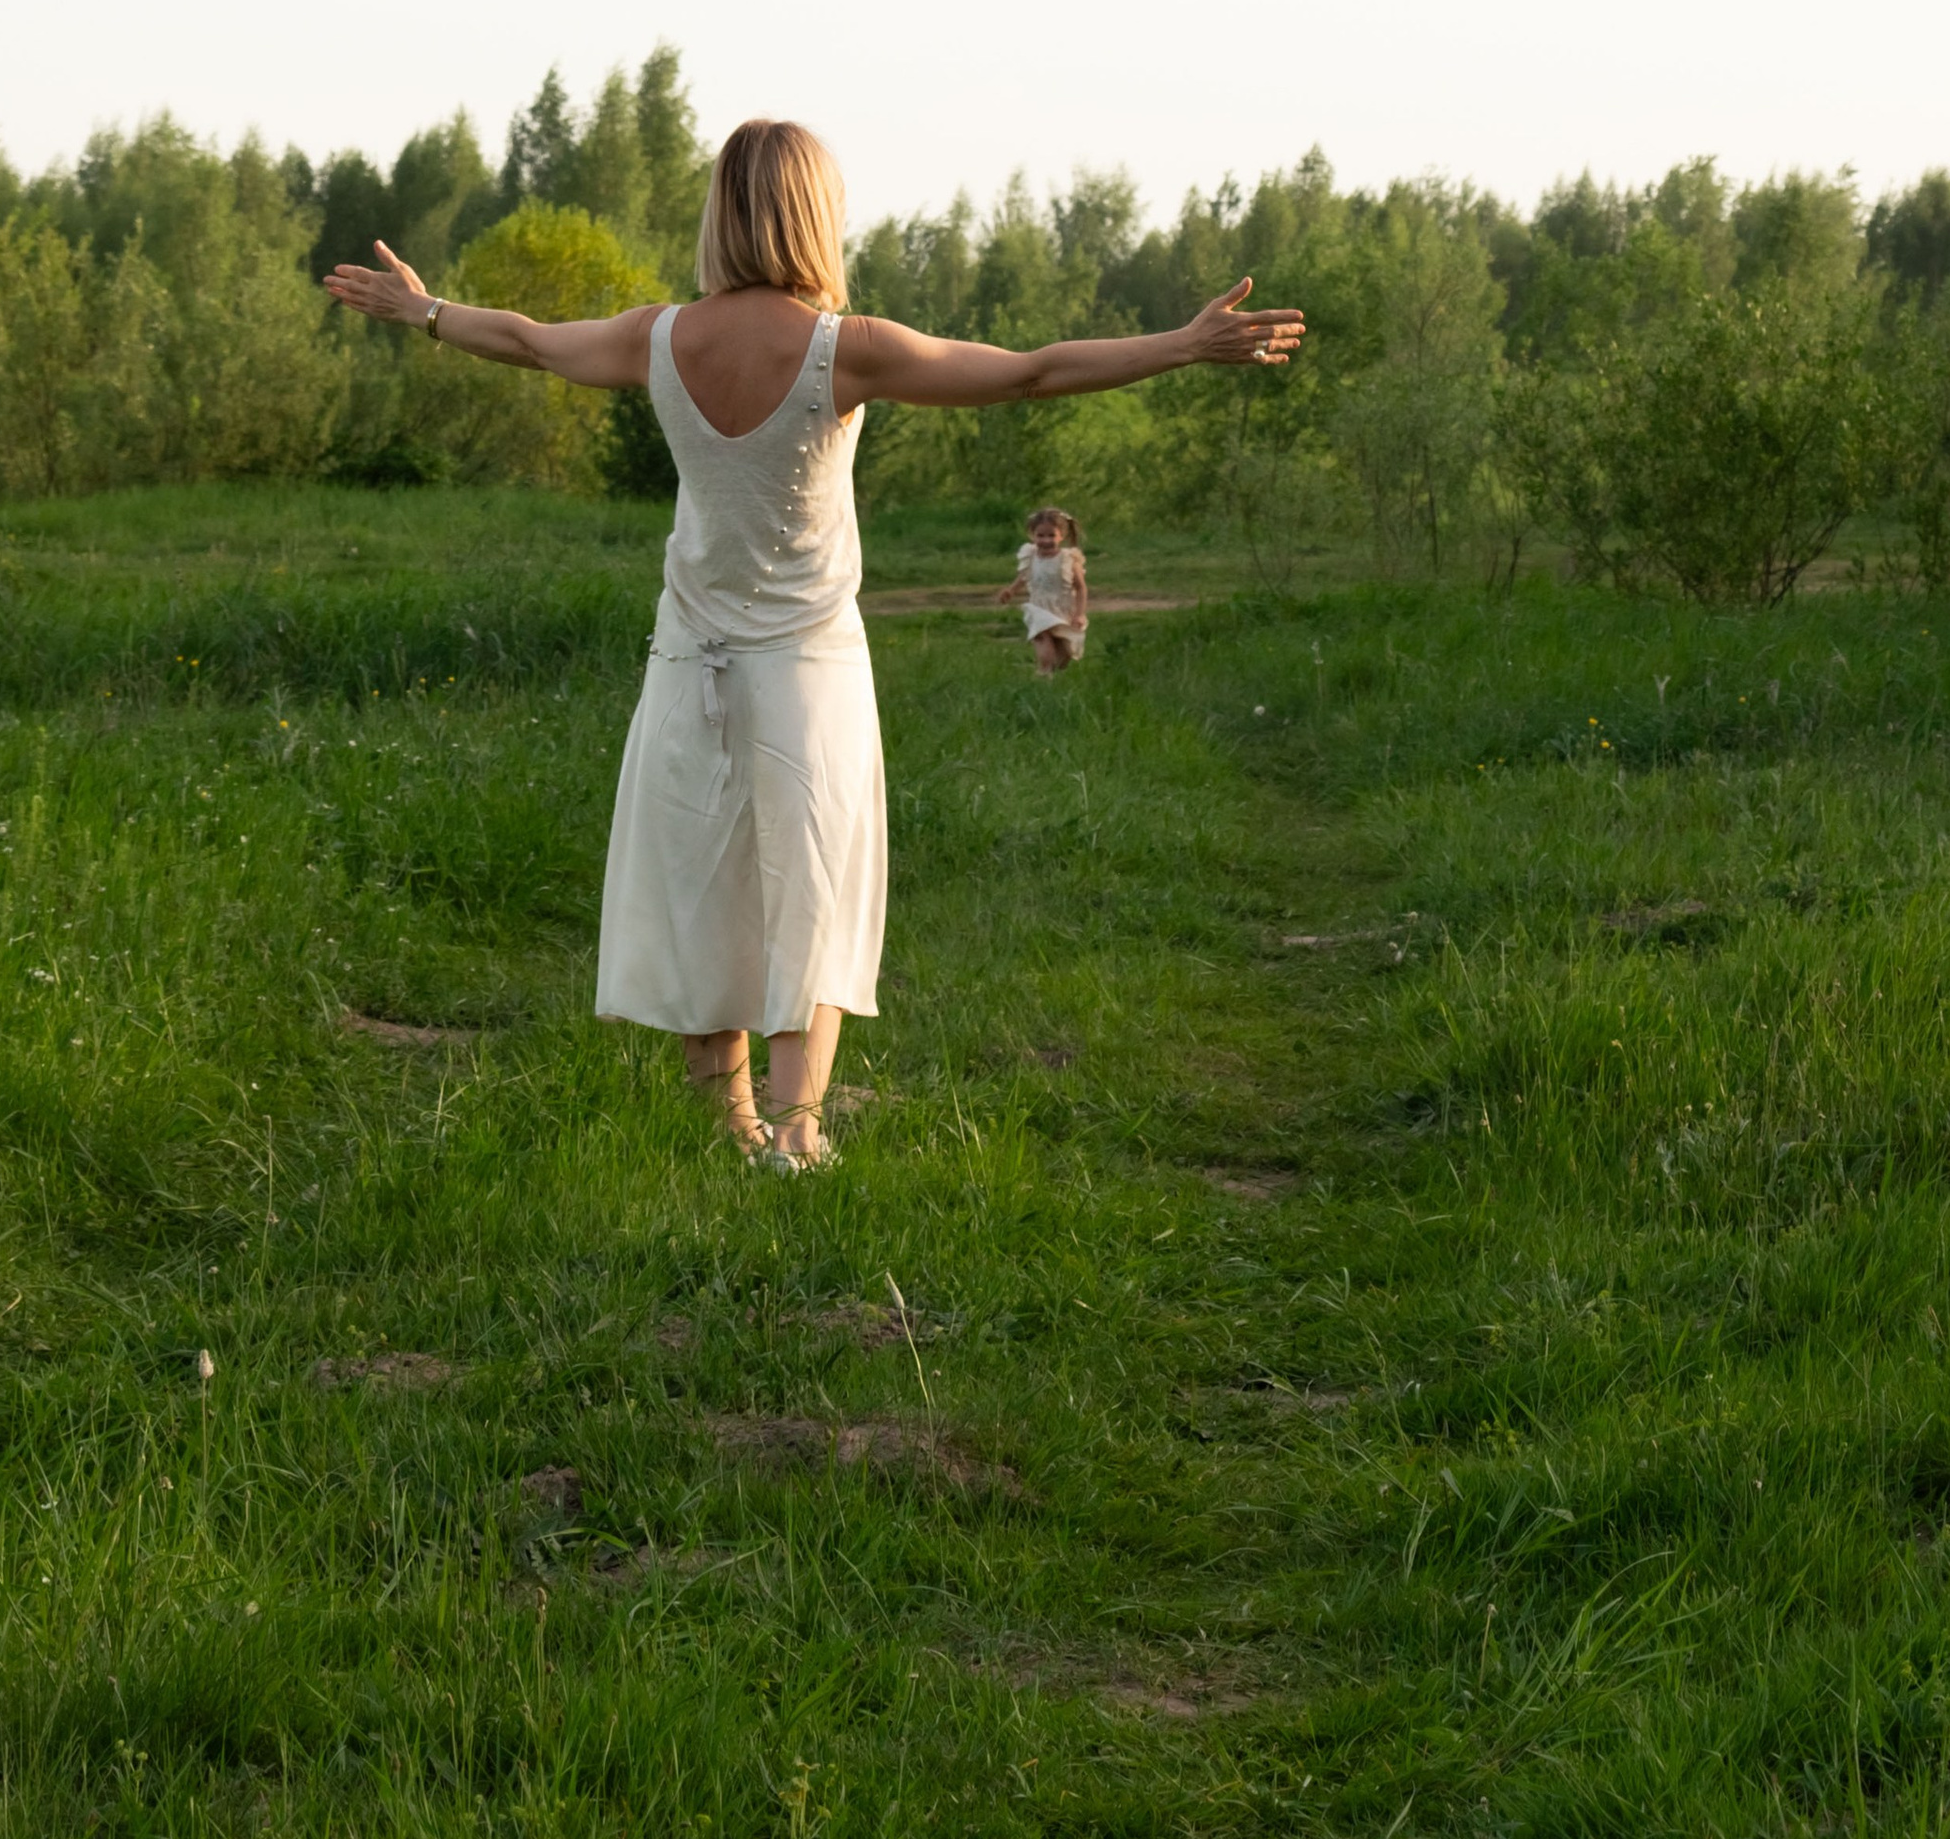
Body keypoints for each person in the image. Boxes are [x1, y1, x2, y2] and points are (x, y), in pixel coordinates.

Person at [324, 121, 1301, 1174]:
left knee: (705, 875)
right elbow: (1030, 373)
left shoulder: (657, 337)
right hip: (807, 665)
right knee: (811, 884)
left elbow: (525, 337)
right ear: (814, 214)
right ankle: (797, 1129)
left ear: (720, 213)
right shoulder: (848, 346)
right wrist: (1180, 343)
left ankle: (730, 1128)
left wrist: (425, 310)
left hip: (687, 653)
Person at [999, 504, 1087, 673]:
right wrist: (1011, 590)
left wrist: (1080, 614)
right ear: (1032, 535)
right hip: (1038, 609)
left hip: (1063, 611)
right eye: (1040, 535)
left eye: (1051, 535)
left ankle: (1050, 678)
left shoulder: (1068, 560)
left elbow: (1081, 588)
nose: (1045, 540)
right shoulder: (1030, 555)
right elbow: (1025, 576)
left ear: (1061, 535)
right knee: (1046, 654)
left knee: (1064, 657)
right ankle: (1043, 674)